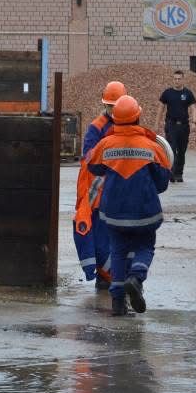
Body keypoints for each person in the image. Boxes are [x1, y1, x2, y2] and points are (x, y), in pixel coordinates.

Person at [87, 95, 172, 316]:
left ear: (115, 119)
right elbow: (163, 181)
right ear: (137, 117)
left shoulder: (106, 144)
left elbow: (93, 167)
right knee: (145, 246)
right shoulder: (151, 146)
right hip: (145, 212)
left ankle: (117, 302)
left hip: (113, 213)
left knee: (118, 251)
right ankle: (136, 278)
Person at [73, 80, 126, 289]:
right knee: (101, 236)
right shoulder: (97, 127)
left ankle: (113, 275)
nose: (113, 110)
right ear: (104, 104)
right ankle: (106, 277)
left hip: (118, 189)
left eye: (116, 105)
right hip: (99, 191)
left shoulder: (128, 123)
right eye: (110, 106)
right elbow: (89, 157)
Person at [154, 70, 196, 182]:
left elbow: (193, 108)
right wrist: (157, 124)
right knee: (171, 149)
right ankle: (171, 173)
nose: (177, 81)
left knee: (182, 151)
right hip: (171, 125)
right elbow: (160, 109)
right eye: (175, 79)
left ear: (183, 80)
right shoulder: (167, 93)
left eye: (179, 79)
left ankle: (179, 174)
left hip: (184, 126)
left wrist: (194, 122)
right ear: (173, 79)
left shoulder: (188, 93)